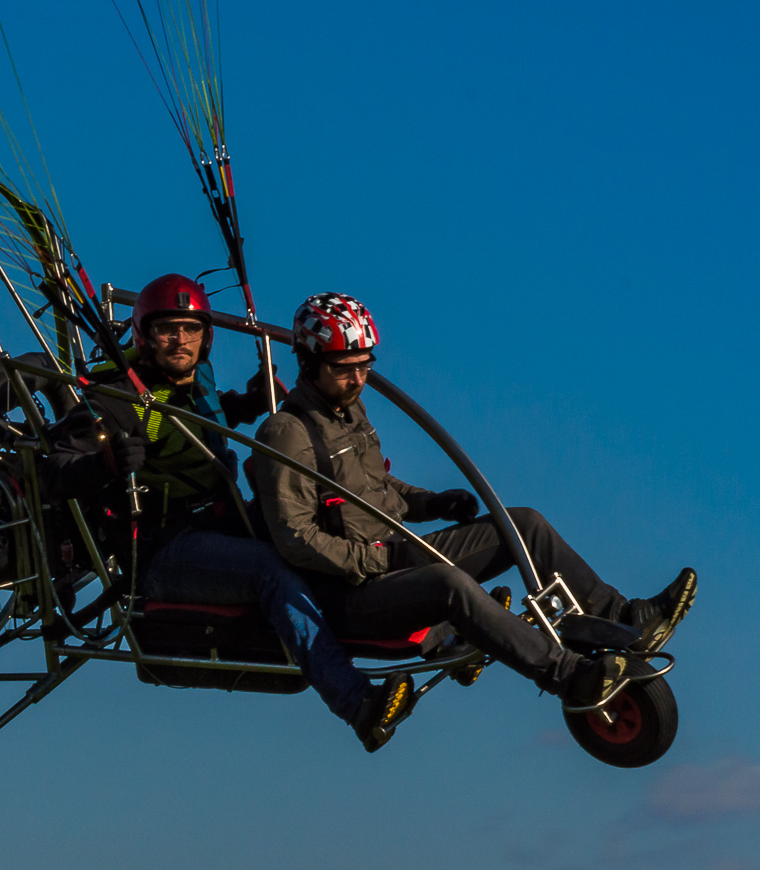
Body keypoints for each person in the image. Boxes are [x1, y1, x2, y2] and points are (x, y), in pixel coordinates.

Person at [249, 292, 697, 711]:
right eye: (346, 368)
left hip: (393, 557)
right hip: (353, 595)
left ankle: (626, 618)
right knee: (449, 583)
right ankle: (570, 676)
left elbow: (377, 487)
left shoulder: (350, 410)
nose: (359, 380)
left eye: (366, 366)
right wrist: (368, 562)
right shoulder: (285, 434)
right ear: (309, 363)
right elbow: (295, 537)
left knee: (522, 524)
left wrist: (434, 504)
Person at [46, 273, 415, 751]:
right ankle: (360, 706)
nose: (181, 340)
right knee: (270, 569)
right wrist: (107, 463)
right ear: (144, 335)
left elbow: (197, 418)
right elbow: (55, 470)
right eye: (168, 330)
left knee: (319, 525)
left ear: (206, 336)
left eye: (191, 329)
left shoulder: (196, 380)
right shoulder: (116, 398)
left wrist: (247, 402)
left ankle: (430, 623)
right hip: (163, 551)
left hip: (219, 522)